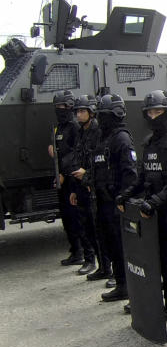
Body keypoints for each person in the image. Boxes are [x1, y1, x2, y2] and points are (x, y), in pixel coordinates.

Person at [115, 90, 167, 318]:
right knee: (159, 260)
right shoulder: (149, 142)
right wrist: (126, 195)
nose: (153, 116)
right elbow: (142, 177)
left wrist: (157, 201)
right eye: (149, 112)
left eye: (158, 111)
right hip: (152, 210)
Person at [93, 94, 138, 303]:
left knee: (122, 247)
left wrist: (123, 200)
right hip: (103, 200)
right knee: (110, 243)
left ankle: (128, 286)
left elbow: (130, 173)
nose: (101, 119)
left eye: (105, 115)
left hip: (116, 201)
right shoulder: (104, 138)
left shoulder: (121, 138)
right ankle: (121, 284)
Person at [50, 90, 91, 267]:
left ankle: (84, 253)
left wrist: (63, 173)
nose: (61, 109)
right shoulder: (59, 127)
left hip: (73, 178)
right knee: (67, 217)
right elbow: (60, 152)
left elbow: (75, 154)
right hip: (63, 178)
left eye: (64, 106)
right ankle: (75, 251)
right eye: (58, 106)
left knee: (77, 218)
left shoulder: (74, 126)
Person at [68, 94, 104, 277]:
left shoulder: (98, 132)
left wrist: (88, 176)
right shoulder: (80, 132)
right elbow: (77, 158)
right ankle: (91, 261)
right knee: (85, 226)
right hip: (81, 185)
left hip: (93, 185)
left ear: (91, 112)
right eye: (77, 111)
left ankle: (106, 267)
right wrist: (74, 189)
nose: (78, 115)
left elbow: (100, 162)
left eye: (82, 111)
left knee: (98, 228)